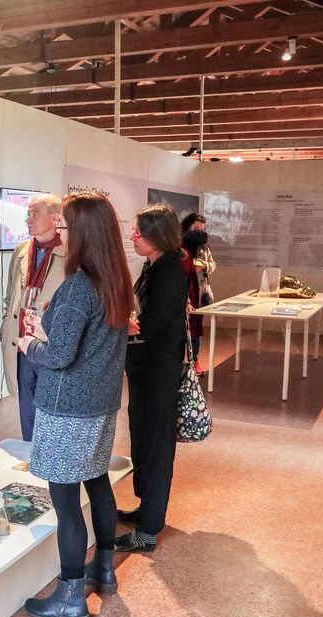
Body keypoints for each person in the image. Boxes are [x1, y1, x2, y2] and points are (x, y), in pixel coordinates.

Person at [17, 192, 134, 617]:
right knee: (97, 482)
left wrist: (30, 345)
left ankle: (70, 597)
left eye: (64, 226)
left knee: (66, 503)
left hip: (68, 409)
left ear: (82, 232)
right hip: (100, 405)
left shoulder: (77, 287)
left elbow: (59, 355)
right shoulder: (114, 280)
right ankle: (103, 569)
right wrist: (49, 325)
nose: (59, 233)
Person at [116, 204, 188, 553]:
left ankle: (148, 530)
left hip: (158, 374)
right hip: (146, 372)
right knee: (144, 442)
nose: (133, 236)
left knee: (156, 448)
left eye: (139, 231)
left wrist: (130, 324)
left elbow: (151, 324)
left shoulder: (169, 272)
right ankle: (147, 510)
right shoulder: (155, 266)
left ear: (158, 235)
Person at [0, 194, 66, 441]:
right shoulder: (22, 250)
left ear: (55, 217)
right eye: (28, 213)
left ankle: (51, 460)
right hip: (22, 345)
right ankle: (31, 457)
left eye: (35, 214)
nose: (29, 219)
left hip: (51, 346)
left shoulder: (70, 253)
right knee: (27, 414)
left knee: (53, 415)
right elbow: (10, 296)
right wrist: (7, 325)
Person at [181, 213, 216, 376]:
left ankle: (194, 362)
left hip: (200, 291)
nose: (199, 232)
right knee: (182, 329)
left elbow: (212, 264)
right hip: (184, 290)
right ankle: (180, 364)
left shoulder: (204, 246)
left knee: (196, 329)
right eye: (195, 228)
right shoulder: (179, 245)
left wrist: (204, 266)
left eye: (202, 229)